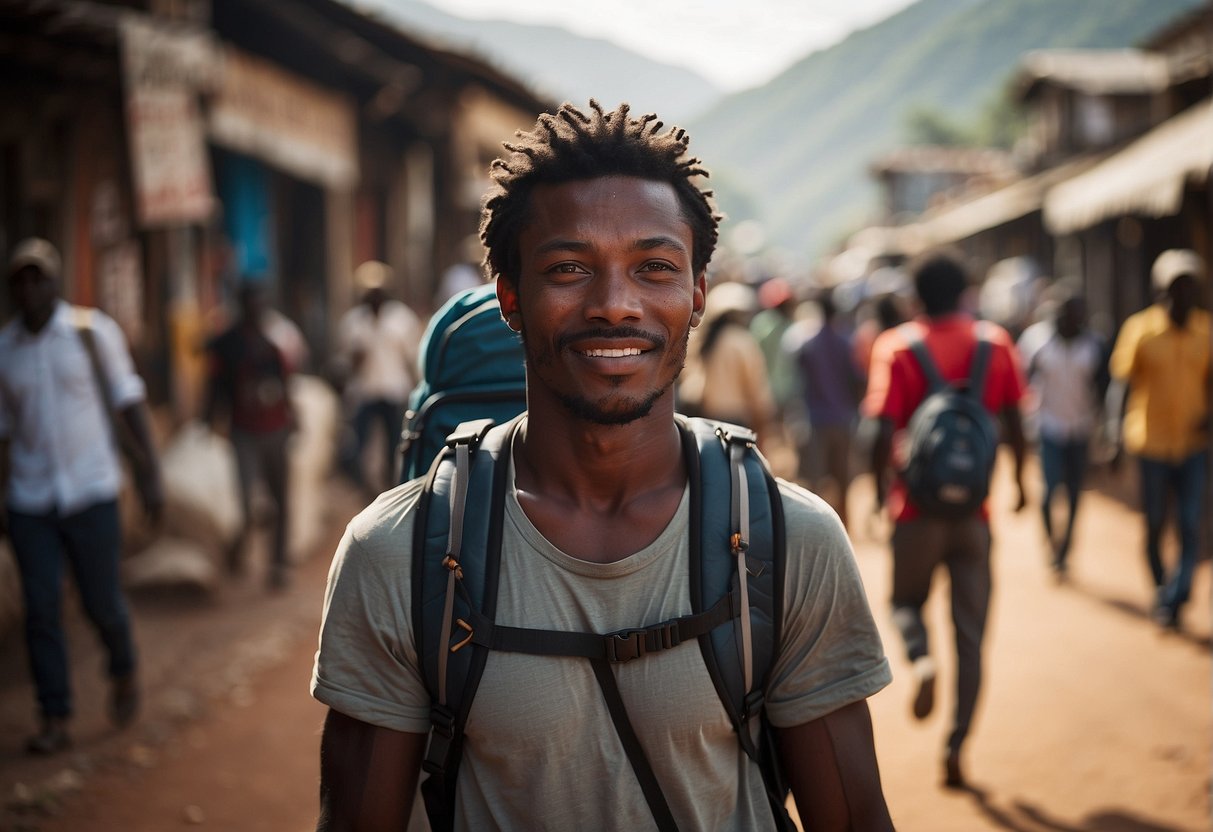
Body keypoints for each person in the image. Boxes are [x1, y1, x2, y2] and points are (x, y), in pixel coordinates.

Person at [312, 101, 894, 831]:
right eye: (568, 268)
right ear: (511, 299)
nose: (615, 305)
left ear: (697, 295)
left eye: (653, 268)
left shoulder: (787, 540)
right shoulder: (399, 551)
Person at [865, 250, 1026, 789]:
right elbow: (1014, 421)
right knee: (972, 636)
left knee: (904, 602)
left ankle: (920, 660)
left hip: (915, 510)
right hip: (973, 514)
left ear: (915, 298)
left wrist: (878, 493)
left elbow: (880, 430)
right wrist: (1022, 482)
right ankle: (957, 744)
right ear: (964, 293)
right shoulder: (995, 343)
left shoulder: (897, 347)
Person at [0, 238, 163, 754]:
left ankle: (122, 666)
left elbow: (129, 401)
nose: (29, 289)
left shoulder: (92, 334)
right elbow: (3, 433)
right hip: (31, 500)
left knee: (101, 602)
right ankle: (54, 716)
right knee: (42, 608)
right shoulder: (4, 351)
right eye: (20, 281)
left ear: (56, 280)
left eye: (38, 278)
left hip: (92, 491)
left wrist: (151, 473)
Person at [1108, 249, 1210, 631]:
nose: (1182, 295)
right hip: (1149, 443)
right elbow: (1120, 385)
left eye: (1189, 287)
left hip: (1192, 446)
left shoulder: (1206, 332)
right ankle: (1161, 589)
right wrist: (1113, 436)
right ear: (1160, 291)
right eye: (1175, 287)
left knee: (1189, 523)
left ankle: (1175, 596)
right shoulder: (1140, 330)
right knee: (1154, 524)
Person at [203, 281, 298, 590]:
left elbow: (285, 382)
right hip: (243, 430)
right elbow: (215, 385)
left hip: (275, 427)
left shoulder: (276, 339)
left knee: (280, 497)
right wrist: (208, 418)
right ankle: (237, 549)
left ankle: (278, 564)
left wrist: (292, 415)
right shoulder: (226, 343)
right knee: (246, 503)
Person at [1017, 289, 1108, 578]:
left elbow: (1103, 387)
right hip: (1048, 426)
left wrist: (1102, 429)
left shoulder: (1094, 345)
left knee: (1073, 493)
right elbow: (1023, 381)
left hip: (1080, 428)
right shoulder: (1036, 342)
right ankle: (1051, 541)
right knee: (1049, 490)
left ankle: (1065, 549)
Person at [336, 261, 422, 494]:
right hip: (365, 391)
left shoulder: (401, 319)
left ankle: (391, 485)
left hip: (394, 390)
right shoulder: (353, 322)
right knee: (358, 444)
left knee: (395, 442)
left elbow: (412, 357)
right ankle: (364, 487)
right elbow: (345, 363)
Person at [678, 281, 781, 447]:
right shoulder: (741, 340)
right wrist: (764, 420)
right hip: (735, 421)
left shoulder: (698, 340)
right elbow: (757, 389)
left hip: (702, 417)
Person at [795, 291, 863, 528]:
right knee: (842, 476)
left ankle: (814, 526)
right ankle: (846, 524)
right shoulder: (846, 342)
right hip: (842, 418)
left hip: (816, 418)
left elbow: (800, 378)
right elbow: (856, 379)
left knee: (814, 477)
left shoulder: (808, 343)